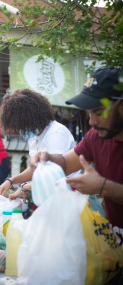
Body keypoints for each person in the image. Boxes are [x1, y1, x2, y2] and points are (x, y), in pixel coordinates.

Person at [30, 66, 123, 247]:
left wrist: (103, 187)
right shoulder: (96, 137)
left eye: (99, 112)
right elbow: (65, 162)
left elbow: (104, 187)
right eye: (89, 113)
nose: (92, 122)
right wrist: (48, 157)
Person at [0, 88, 78, 199]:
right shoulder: (34, 137)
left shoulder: (56, 133)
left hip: (71, 194)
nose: (20, 130)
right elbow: (36, 168)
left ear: (31, 118)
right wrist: (11, 180)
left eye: (21, 125)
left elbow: (54, 174)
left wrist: (24, 187)